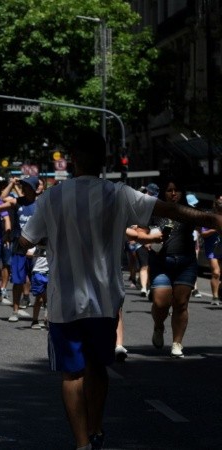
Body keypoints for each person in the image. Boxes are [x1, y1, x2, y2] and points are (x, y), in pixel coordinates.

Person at [18, 129, 222, 450]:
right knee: (98, 367)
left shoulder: (53, 197)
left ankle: (82, 443)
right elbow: (169, 211)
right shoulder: (119, 193)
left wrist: (51, 237)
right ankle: (97, 429)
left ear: (72, 161)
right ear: (104, 160)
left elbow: (24, 241)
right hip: (104, 300)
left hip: (63, 303)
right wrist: (210, 217)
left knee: (72, 374)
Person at [147, 179, 203, 358]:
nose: (173, 194)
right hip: (161, 261)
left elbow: (206, 223)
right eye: (169, 190)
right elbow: (141, 230)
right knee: (160, 302)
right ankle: (158, 325)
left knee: (181, 303)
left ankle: (177, 343)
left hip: (186, 262)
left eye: (177, 190)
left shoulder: (189, 212)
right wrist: (148, 240)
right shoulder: (154, 211)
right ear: (163, 192)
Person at [0, 176, 40, 322]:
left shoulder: (41, 204)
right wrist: (12, 183)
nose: (24, 189)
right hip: (19, 246)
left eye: (27, 187)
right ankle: (15, 310)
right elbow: (2, 198)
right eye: (23, 187)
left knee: (39, 281)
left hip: (37, 247)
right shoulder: (18, 202)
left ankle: (41, 312)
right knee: (18, 280)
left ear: (33, 189)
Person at [201, 197, 222, 305]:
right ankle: (215, 297)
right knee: (216, 272)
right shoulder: (210, 218)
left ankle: (220, 292)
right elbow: (203, 234)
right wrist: (216, 229)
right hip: (212, 249)